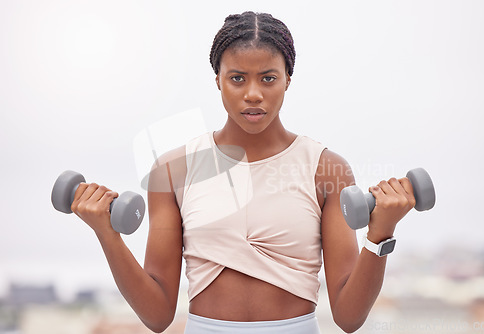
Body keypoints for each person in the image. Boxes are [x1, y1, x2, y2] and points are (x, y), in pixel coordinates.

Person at [70, 11, 416, 334]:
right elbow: (158, 315)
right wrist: (107, 233)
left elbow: (348, 317)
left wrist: (380, 234)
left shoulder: (326, 169)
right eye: (238, 78)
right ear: (218, 80)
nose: (253, 94)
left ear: (287, 81)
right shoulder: (173, 171)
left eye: (268, 78)